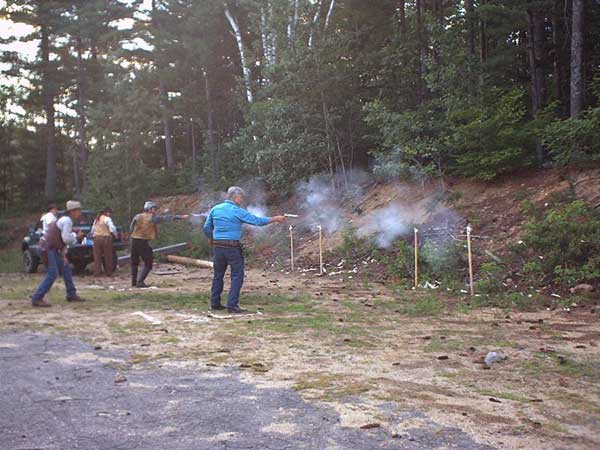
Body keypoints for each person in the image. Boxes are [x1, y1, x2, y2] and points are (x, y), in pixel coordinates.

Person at [203, 186, 286, 313]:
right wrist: (275, 219)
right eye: (241, 197)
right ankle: (232, 305)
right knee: (237, 275)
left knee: (218, 275)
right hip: (232, 246)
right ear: (235, 197)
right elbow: (257, 221)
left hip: (218, 247)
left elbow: (207, 227)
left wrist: (211, 238)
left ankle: (215, 303)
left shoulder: (215, 209)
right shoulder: (237, 211)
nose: (242, 200)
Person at [31, 200, 86, 307]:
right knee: (53, 273)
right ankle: (37, 298)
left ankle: (71, 294)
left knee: (66, 268)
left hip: (52, 248)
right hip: (48, 248)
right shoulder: (67, 221)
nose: (80, 213)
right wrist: (76, 237)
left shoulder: (65, 220)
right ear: (72, 211)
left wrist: (63, 254)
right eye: (79, 210)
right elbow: (66, 239)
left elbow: (60, 239)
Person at [130, 201, 190, 288]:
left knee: (134, 262)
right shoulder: (152, 217)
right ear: (149, 209)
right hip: (143, 242)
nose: (155, 210)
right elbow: (166, 218)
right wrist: (180, 217)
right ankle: (140, 282)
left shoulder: (138, 216)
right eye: (153, 208)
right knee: (148, 263)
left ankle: (134, 282)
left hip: (134, 240)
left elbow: (131, 227)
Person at [92, 207, 118, 277]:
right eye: (110, 213)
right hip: (106, 238)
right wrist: (115, 235)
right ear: (107, 212)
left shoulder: (96, 220)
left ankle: (97, 273)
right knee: (108, 256)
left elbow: (92, 230)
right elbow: (112, 228)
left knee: (97, 257)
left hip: (96, 238)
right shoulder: (107, 219)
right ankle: (109, 272)